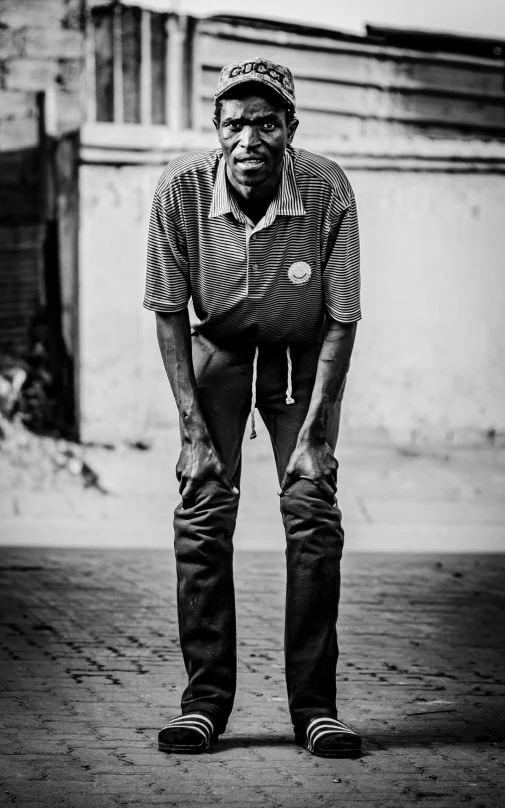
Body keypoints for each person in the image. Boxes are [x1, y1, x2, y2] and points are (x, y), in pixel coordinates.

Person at [144, 57, 362, 758]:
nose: (249, 140)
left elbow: (341, 316)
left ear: (289, 128)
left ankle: (314, 709)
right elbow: (168, 311)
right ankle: (203, 704)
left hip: (301, 357)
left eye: (266, 123)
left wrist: (319, 432)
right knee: (203, 504)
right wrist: (191, 434)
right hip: (220, 350)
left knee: (311, 504)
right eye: (234, 123)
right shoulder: (179, 191)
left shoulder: (327, 189)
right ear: (216, 129)